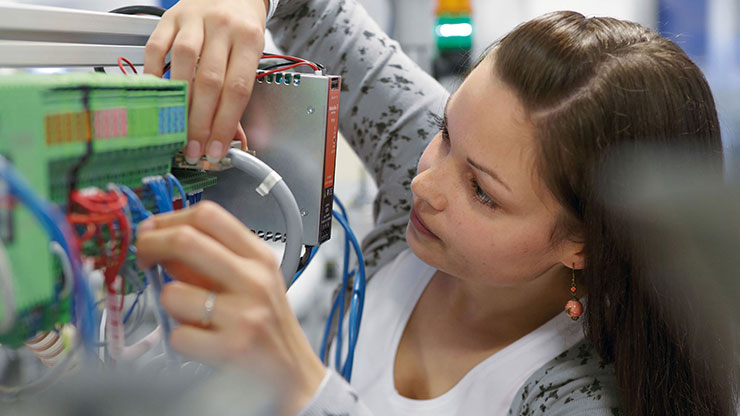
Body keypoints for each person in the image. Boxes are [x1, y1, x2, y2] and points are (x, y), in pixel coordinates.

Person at [136, 0, 739, 414]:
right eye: (447, 130)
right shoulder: (430, 172)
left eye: (483, 193)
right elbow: (307, 7)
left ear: (584, 242)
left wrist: (299, 380)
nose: (425, 184)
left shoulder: (579, 396)